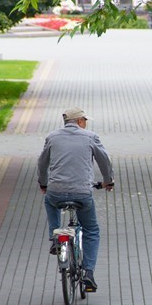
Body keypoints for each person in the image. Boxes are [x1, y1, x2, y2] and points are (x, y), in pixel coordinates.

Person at [37, 107, 114, 293]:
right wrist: (108, 181)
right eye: (85, 120)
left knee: (49, 200)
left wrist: (43, 183)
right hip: (82, 193)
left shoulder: (52, 137)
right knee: (91, 230)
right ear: (79, 121)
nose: (85, 124)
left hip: (56, 191)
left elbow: (42, 162)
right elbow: (104, 160)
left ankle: (55, 237)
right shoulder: (90, 137)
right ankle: (88, 273)